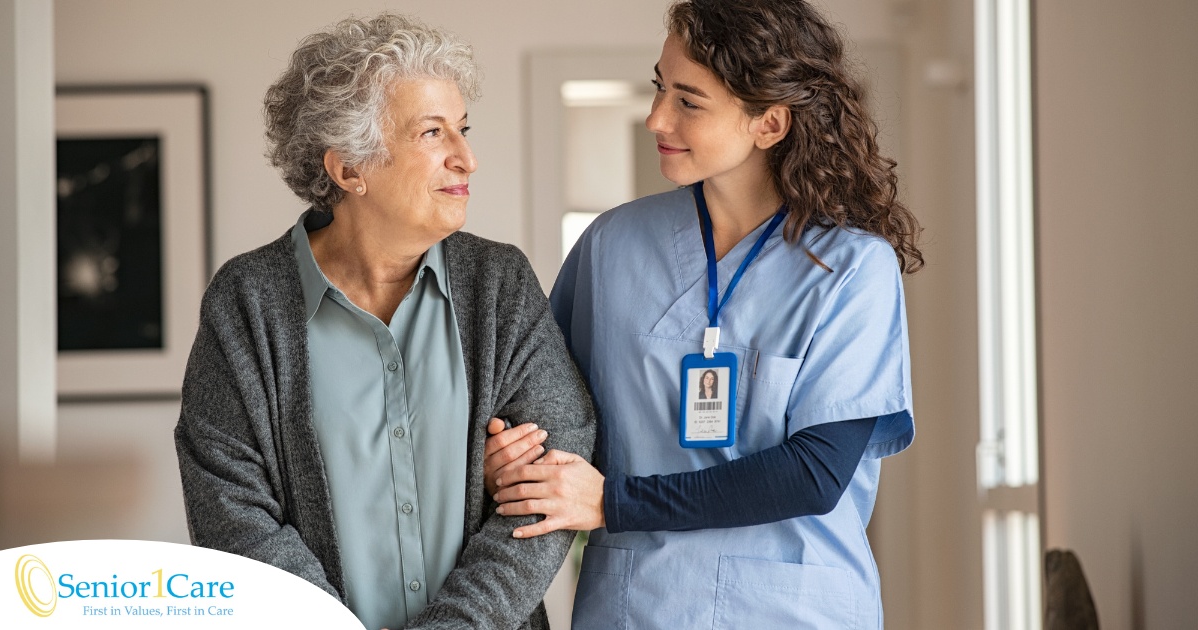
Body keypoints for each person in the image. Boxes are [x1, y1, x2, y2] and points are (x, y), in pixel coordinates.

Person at [483, 0, 922, 627]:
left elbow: (815, 473)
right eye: (660, 88)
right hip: (636, 607)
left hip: (792, 612)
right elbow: (545, 413)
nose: (656, 116)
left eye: (689, 101)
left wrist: (614, 501)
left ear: (769, 124)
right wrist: (516, 457)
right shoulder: (612, 246)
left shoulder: (852, 269)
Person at [173, 14, 595, 630]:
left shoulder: (498, 283)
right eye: (432, 133)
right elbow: (229, 509)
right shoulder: (247, 302)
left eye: (463, 129)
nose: (467, 158)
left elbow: (554, 476)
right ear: (349, 170)